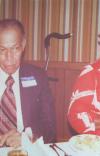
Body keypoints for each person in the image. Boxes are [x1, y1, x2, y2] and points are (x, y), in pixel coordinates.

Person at [0, 19, 56, 147]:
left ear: (23, 45)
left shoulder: (38, 77)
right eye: (2, 50)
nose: (9, 58)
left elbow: (50, 127)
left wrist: (28, 138)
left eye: (15, 48)